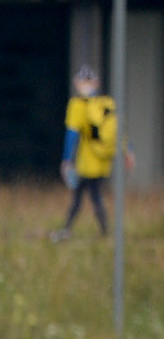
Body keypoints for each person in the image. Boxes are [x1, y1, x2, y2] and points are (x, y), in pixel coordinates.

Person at [55, 64, 131, 241]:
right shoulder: (107, 103)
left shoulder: (77, 105)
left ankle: (68, 229)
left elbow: (72, 134)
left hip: (87, 161)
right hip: (104, 159)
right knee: (94, 194)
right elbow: (118, 131)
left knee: (81, 196)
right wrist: (127, 151)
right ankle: (103, 230)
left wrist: (66, 159)